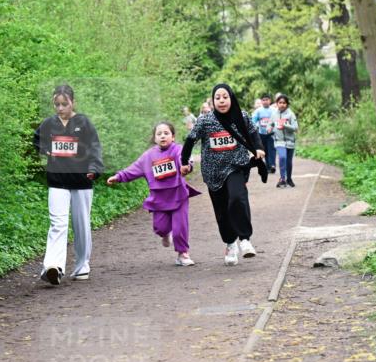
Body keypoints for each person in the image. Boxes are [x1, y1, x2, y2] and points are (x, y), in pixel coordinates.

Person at [181, 83, 265, 266]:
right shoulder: (205, 120)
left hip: (237, 166)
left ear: (231, 98)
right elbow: (190, 140)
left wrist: (259, 148)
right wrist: (184, 162)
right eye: (217, 97)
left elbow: (253, 133)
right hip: (213, 172)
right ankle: (230, 243)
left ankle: (244, 239)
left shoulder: (241, 116)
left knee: (237, 198)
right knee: (222, 211)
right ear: (212, 101)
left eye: (225, 97)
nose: (221, 101)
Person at [33, 84, 103, 285]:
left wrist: (95, 168)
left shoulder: (84, 123)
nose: (60, 108)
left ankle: (82, 267)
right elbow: (36, 140)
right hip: (57, 180)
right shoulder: (48, 124)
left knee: (81, 225)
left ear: (73, 102)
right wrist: (46, 149)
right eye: (57, 104)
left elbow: (95, 148)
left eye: (64, 104)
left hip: (82, 180)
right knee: (58, 223)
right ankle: (53, 267)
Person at [107, 121, 202, 266]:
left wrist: (186, 166)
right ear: (155, 138)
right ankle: (165, 234)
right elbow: (133, 169)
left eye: (166, 133)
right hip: (159, 199)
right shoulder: (148, 156)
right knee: (160, 228)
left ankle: (183, 254)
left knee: (180, 228)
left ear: (173, 137)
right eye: (159, 134)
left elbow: (186, 159)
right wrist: (118, 177)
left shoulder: (177, 150)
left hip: (178, 195)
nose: (163, 136)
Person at [272, 93, 298, 188]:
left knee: (289, 162)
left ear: (287, 104)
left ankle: (289, 178)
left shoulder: (290, 114)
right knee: (282, 157)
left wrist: (285, 125)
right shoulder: (274, 114)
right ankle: (282, 178)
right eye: (280, 102)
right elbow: (270, 124)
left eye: (284, 103)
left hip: (290, 141)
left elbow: (295, 128)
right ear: (277, 103)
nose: (282, 104)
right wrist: (269, 128)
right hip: (279, 141)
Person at [251, 93, 277, 174]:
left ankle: (272, 165)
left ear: (270, 101)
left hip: (271, 134)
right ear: (261, 101)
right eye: (263, 100)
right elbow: (253, 121)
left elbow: (277, 120)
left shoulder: (273, 110)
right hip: (261, 134)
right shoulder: (258, 111)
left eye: (267, 100)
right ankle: (268, 166)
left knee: (272, 149)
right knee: (265, 150)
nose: (265, 102)